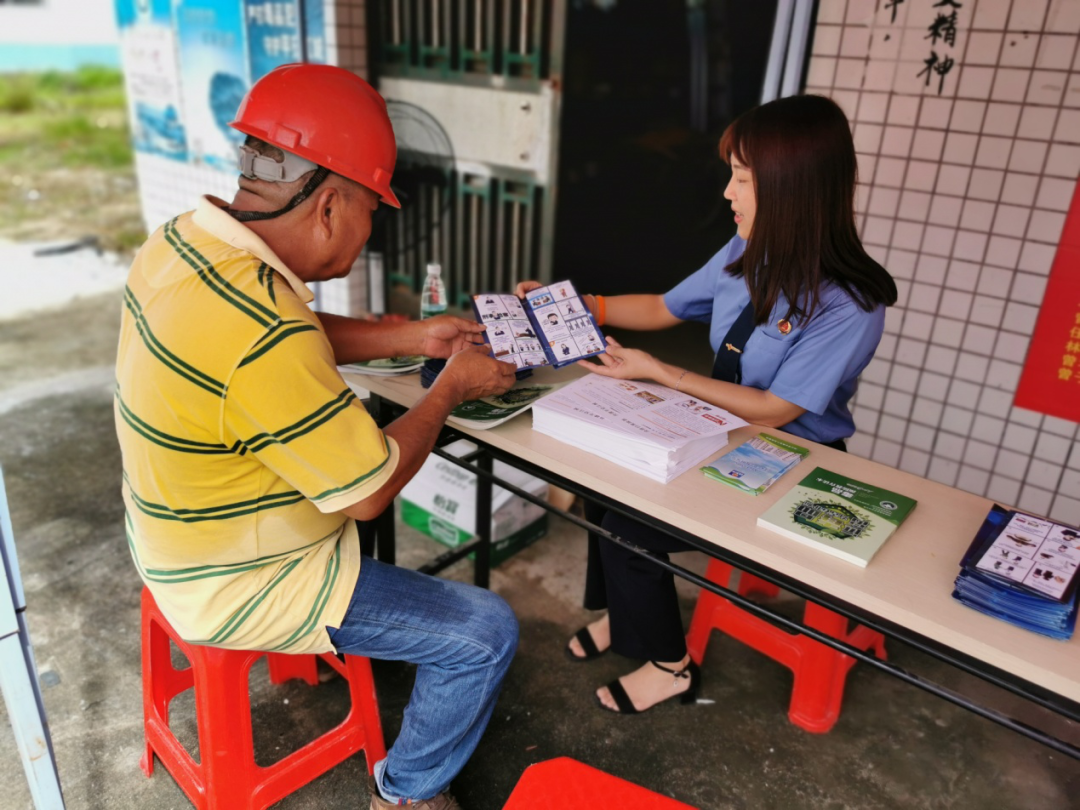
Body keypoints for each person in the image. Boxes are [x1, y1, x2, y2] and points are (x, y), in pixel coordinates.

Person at [114, 64, 519, 809]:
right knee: (484, 631)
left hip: (171, 533)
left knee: (352, 445)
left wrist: (412, 333)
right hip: (242, 577)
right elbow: (369, 493)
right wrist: (452, 385)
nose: (371, 231)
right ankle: (406, 793)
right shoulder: (263, 330)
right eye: (373, 210)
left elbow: (293, 332)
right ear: (330, 205)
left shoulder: (183, 246)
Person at [515, 94, 897, 714]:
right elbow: (665, 307)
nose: (727, 193)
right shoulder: (745, 253)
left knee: (629, 527)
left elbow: (776, 409)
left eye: (742, 179)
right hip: (720, 427)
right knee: (601, 481)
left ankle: (670, 665)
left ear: (791, 188)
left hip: (796, 456)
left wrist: (663, 374)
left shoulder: (850, 303)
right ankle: (624, 614)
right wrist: (575, 305)